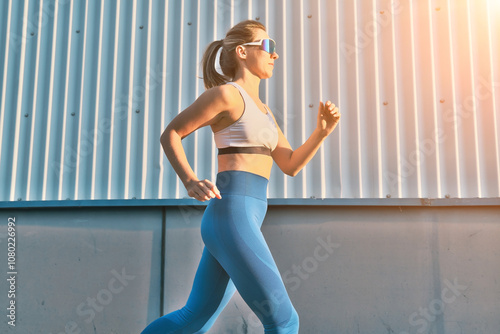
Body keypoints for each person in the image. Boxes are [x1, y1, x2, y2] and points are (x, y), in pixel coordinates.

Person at [142, 19, 340, 334]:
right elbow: (172, 133)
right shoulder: (226, 95)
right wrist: (190, 180)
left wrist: (321, 132)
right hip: (231, 215)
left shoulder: (264, 112)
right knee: (284, 321)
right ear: (242, 51)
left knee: (192, 319)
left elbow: (289, 164)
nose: (275, 55)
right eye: (268, 46)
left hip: (243, 218)